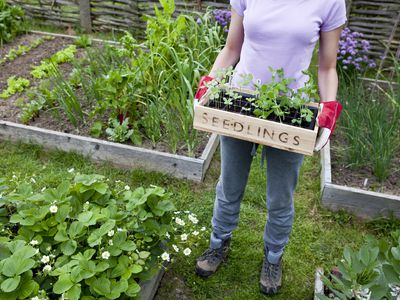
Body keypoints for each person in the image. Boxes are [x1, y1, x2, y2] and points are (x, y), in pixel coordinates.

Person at [193, 0, 347, 296]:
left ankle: (273, 259)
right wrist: (210, 82)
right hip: (240, 101)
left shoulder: (330, 2)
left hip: (291, 110)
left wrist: (329, 108)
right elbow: (231, 49)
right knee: (230, 185)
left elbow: (327, 66)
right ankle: (217, 244)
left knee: (280, 196)